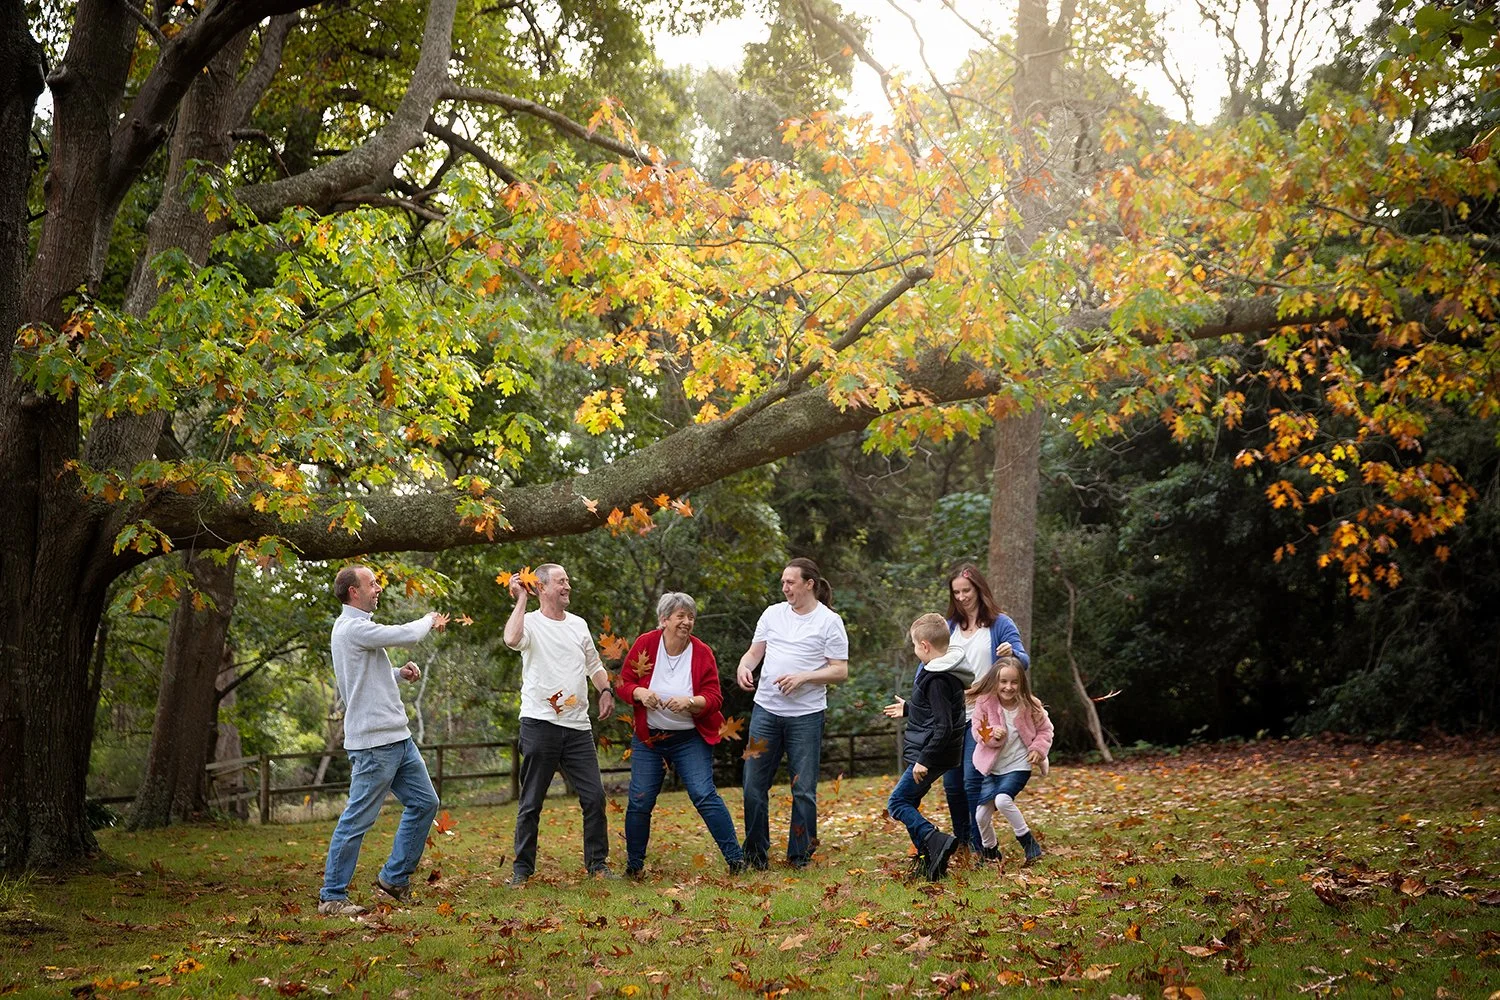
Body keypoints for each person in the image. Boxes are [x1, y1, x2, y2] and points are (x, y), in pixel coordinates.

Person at [318, 565, 449, 917]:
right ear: (353, 593)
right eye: (372, 583)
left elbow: (364, 676)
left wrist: (397, 673)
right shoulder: (353, 627)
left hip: (397, 738)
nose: (378, 588)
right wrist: (428, 619)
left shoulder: (356, 631)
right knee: (357, 818)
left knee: (424, 803)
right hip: (375, 745)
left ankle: (394, 878)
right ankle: (332, 896)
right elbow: (407, 634)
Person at [615, 593, 746, 877]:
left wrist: (691, 702)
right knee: (640, 799)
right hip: (650, 739)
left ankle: (736, 860)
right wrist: (640, 693)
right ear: (664, 620)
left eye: (690, 617)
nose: (687, 622)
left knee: (703, 793)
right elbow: (624, 683)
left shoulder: (701, 652)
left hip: (690, 738)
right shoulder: (646, 644)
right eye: (680, 617)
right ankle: (634, 867)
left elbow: (714, 697)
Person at [504, 563, 617, 886]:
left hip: (578, 726)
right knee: (531, 802)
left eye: (568, 580)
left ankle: (597, 864)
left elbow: (594, 664)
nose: (568, 586)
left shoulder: (578, 625)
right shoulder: (529, 624)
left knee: (594, 797)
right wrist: (520, 599)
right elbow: (511, 639)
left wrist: (605, 690)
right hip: (540, 724)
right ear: (541, 588)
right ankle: (522, 869)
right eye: (561, 581)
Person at [736, 557, 849, 870]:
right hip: (766, 712)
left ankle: (800, 856)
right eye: (783, 582)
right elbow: (754, 652)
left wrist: (803, 677)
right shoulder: (772, 614)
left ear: (808, 584)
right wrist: (745, 667)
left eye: (790, 582)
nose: (784, 587)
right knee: (753, 784)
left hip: (806, 716)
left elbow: (840, 670)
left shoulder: (829, 621)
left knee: (803, 789)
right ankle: (755, 856)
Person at [945, 564, 1029, 853]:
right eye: (956, 592)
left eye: (966, 590)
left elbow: (1023, 660)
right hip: (953, 716)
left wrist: (1012, 653)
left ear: (979, 589)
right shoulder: (950, 627)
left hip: (982, 714)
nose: (961, 597)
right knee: (952, 784)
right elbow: (927, 665)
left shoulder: (999, 623)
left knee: (972, 779)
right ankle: (964, 841)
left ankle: (983, 847)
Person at [885, 613, 974, 881]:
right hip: (940, 752)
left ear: (924, 646)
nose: (915, 652)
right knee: (908, 800)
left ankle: (935, 840)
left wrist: (924, 759)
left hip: (932, 753)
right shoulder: (948, 671)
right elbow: (939, 711)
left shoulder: (936, 678)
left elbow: (943, 726)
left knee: (898, 803)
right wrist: (909, 708)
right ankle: (930, 860)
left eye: (914, 646)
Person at [968, 655, 1053, 865]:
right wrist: (990, 735)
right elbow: (977, 731)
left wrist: (1038, 749)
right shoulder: (984, 702)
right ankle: (990, 851)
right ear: (995, 682)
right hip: (991, 767)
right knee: (980, 816)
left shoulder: (1030, 705)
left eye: (1014, 682)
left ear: (1021, 683)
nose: (1008, 687)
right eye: (1003, 681)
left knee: (1003, 800)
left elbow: (1045, 730)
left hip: (1018, 765)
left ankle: (1028, 843)